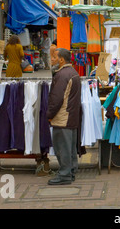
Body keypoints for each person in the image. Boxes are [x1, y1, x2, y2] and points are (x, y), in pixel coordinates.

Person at [47, 48, 81, 185]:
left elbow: (56, 99)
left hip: (63, 117)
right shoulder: (73, 73)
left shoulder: (62, 75)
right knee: (70, 147)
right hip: (71, 116)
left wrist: (49, 114)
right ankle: (70, 171)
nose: (52, 60)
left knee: (62, 147)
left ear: (61, 60)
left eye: (54, 57)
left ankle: (65, 174)